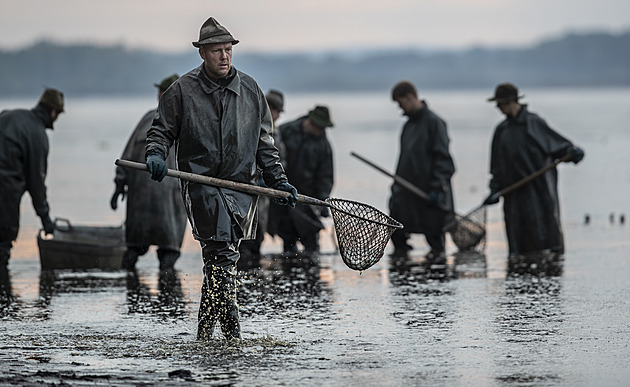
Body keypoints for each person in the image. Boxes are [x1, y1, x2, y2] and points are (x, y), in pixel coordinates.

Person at [143, 17, 298, 341]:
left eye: (228, 50)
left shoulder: (251, 90)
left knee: (220, 262)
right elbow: (160, 131)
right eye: (217, 51)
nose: (224, 56)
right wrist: (155, 155)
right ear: (203, 54)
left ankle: (207, 338)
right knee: (222, 256)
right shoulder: (182, 91)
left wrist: (279, 180)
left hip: (241, 188)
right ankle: (232, 338)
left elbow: (264, 144)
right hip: (202, 186)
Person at [483, 82, 584, 256]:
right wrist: (494, 190)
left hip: (538, 194)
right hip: (513, 197)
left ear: (510, 102)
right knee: (517, 246)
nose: (498, 108)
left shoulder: (534, 123)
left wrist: (573, 152)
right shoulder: (501, 131)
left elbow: (560, 147)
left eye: (500, 104)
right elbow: (497, 168)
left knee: (545, 241)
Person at [111, 74, 188, 271]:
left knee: (134, 249)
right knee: (168, 253)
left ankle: (131, 291)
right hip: (168, 201)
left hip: (144, 200)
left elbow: (126, 156)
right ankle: (167, 295)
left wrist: (119, 186)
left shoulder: (149, 117)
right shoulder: (187, 121)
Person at [389, 81, 455, 259]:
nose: (400, 108)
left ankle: (438, 280)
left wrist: (437, 188)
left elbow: (445, 162)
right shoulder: (408, 126)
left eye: (400, 103)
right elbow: (404, 161)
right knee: (396, 232)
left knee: (435, 239)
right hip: (406, 193)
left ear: (410, 97)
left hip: (429, 194)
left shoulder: (435, 123)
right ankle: (404, 278)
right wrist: (395, 188)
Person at [0, 88, 64, 269]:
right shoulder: (37, 134)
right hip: (4, 193)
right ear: (53, 111)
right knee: (2, 245)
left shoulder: (8, 115)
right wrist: (45, 217)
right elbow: (36, 182)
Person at [270, 105, 334, 253]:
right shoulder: (285, 131)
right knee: (287, 237)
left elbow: (326, 177)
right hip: (282, 193)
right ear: (311, 122)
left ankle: (311, 272)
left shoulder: (324, 145)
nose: (323, 131)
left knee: (311, 242)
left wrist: (323, 202)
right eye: (320, 127)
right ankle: (289, 269)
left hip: (307, 197)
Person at [239, 89, 285, 260]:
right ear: (268, 107)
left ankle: (254, 265)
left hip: (264, 195)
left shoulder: (276, 132)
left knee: (260, 232)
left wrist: (277, 180)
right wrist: (258, 178)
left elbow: (280, 159)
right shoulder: (250, 125)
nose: (278, 116)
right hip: (247, 192)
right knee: (244, 234)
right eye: (277, 111)